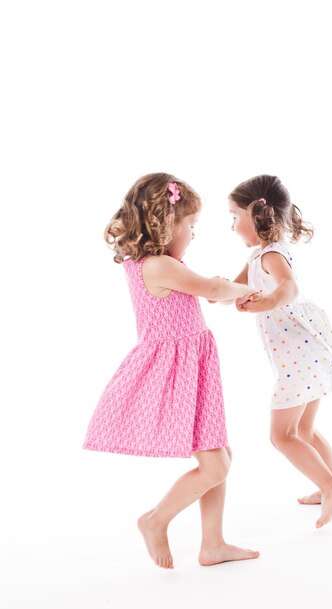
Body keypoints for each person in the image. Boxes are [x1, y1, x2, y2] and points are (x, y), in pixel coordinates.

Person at [83, 172, 260, 568]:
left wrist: (219, 286)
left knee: (219, 456)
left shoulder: (157, 264)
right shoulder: (158, 265)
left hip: (195, 365)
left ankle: (213, 544)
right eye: (191, 225)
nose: (194, 234)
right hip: (176, 372)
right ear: (167, 224)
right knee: (215, 465)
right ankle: (155, 519)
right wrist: (244, 290)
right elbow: (212, 290)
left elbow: (204, 286)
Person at [227, 174, 332, 529]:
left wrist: (267, 300)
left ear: (256, 214)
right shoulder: (261, 254)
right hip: (309, 353)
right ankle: (331, 487)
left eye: (235, 217)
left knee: (282, 436)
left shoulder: (270, 256)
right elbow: (231, 287)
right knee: (305, 430)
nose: (233, 226)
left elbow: (289, 287)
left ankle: (331, 486)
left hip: (298, 358)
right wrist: (204, 289)